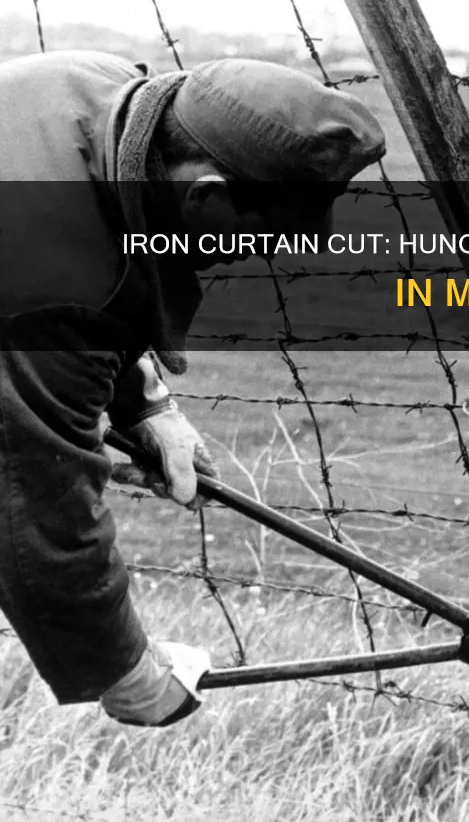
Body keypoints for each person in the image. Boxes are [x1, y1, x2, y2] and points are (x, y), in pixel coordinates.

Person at [0, 50, 385, 726]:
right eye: (272, 232)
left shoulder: (93, 81)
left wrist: (146, 403)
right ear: (207, 196)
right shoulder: (53, 291)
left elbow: (110, 240)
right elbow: (35, 508)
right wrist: (125, 672)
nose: (304, 243)